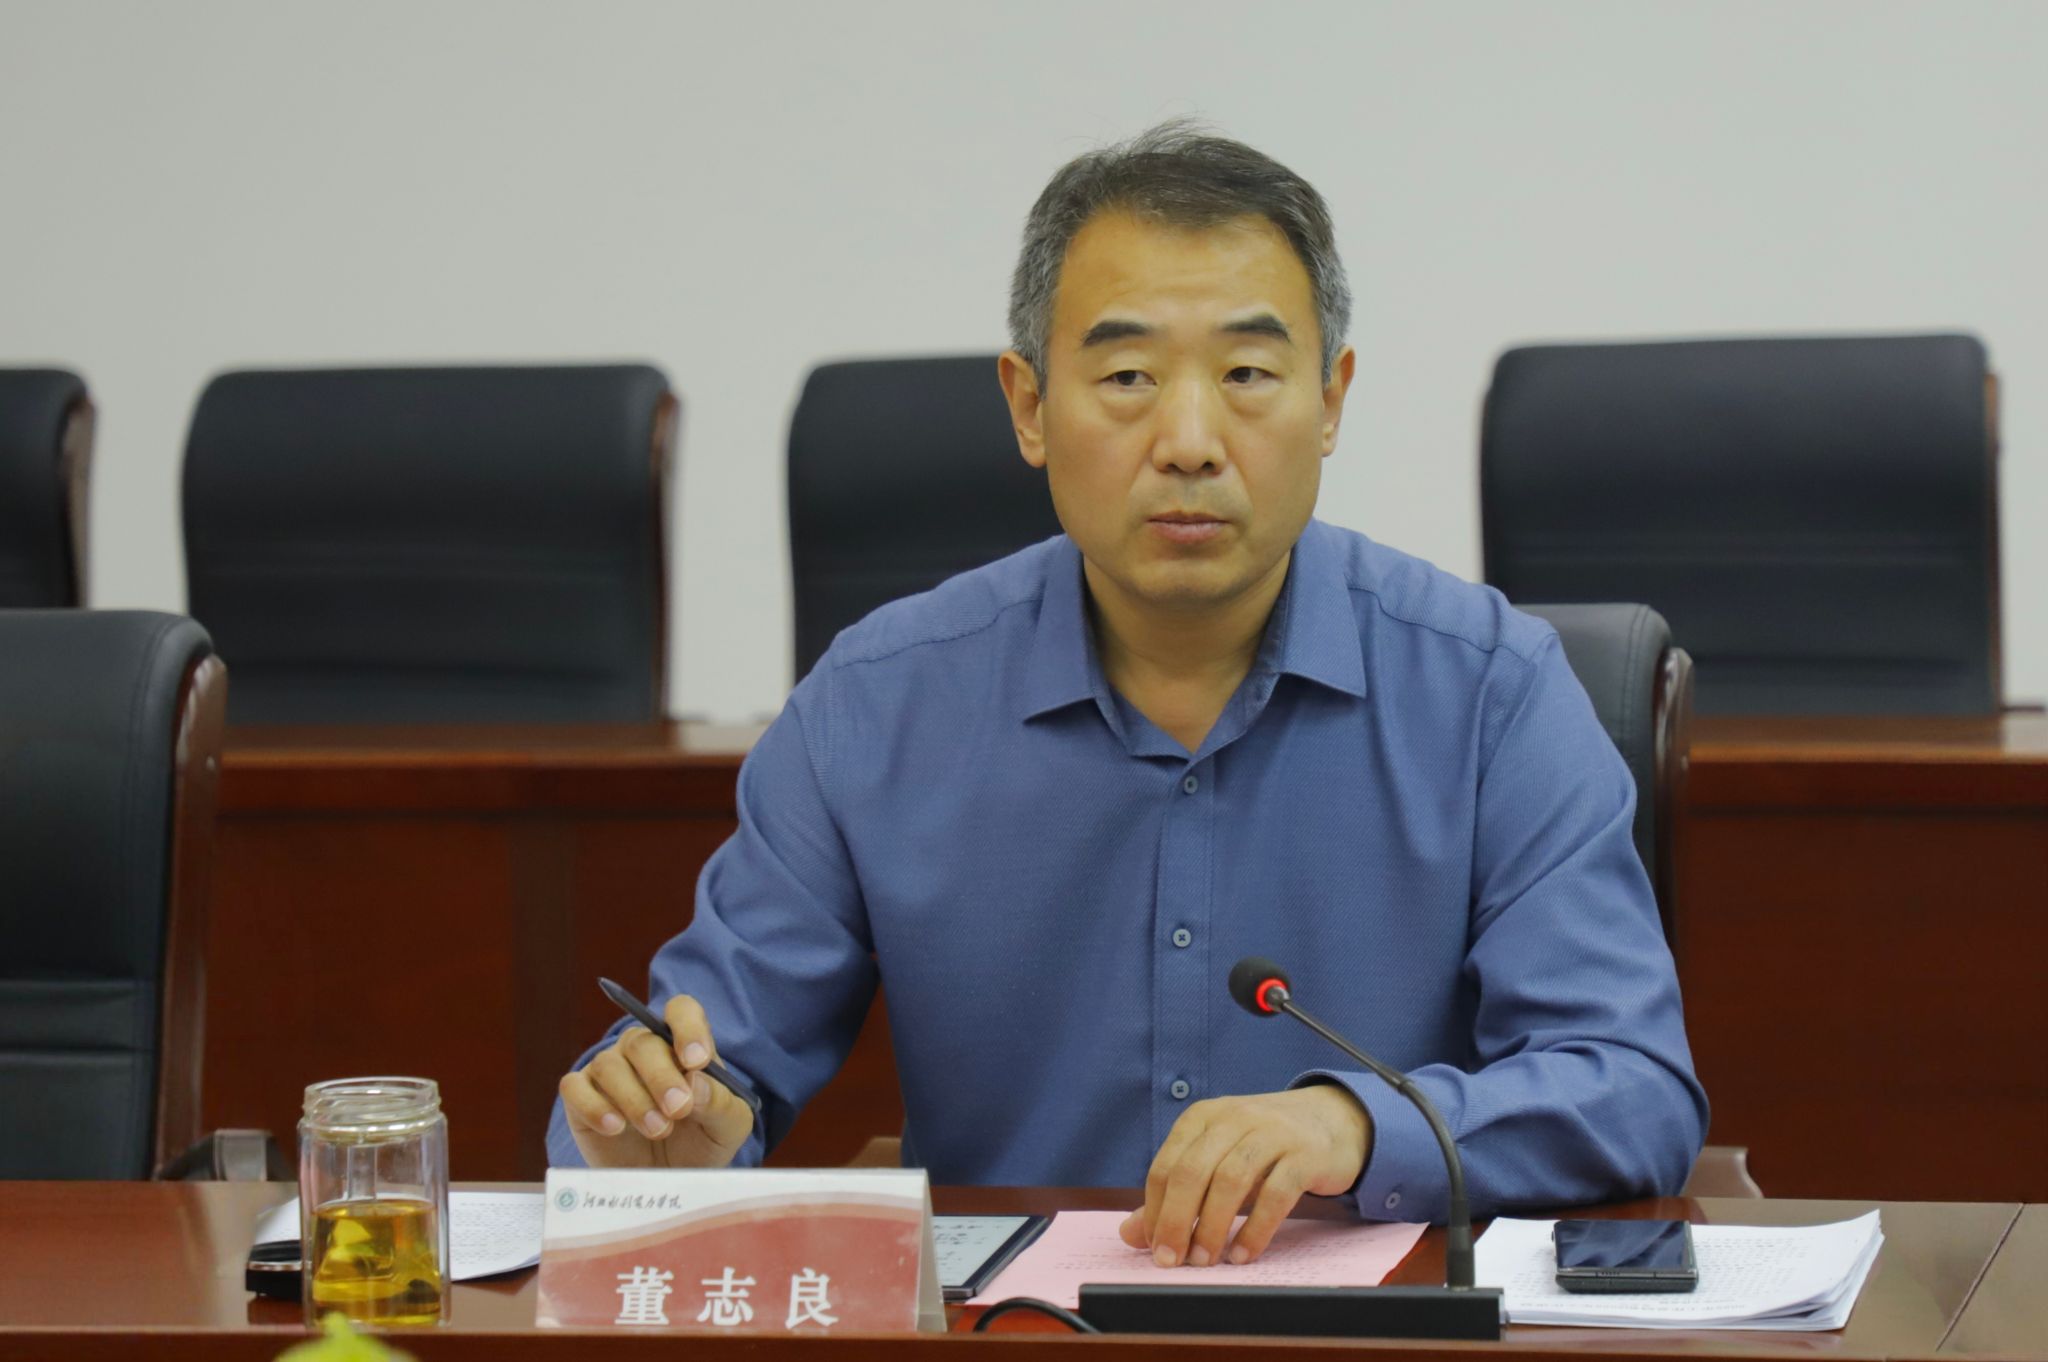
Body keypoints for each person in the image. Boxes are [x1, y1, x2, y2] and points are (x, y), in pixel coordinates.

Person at [549, 121, 1707, 1270]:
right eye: (1125, 378)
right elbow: (707, 1063)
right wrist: (654, 1138)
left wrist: (1358, 1127)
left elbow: (1630, 1086)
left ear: (1330, 399)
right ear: (1028, 406)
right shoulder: (876, 705)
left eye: (1246, 375)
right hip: (1010, 1337)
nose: (1188, 441)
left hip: (1370, 1341)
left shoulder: (1490, 691)